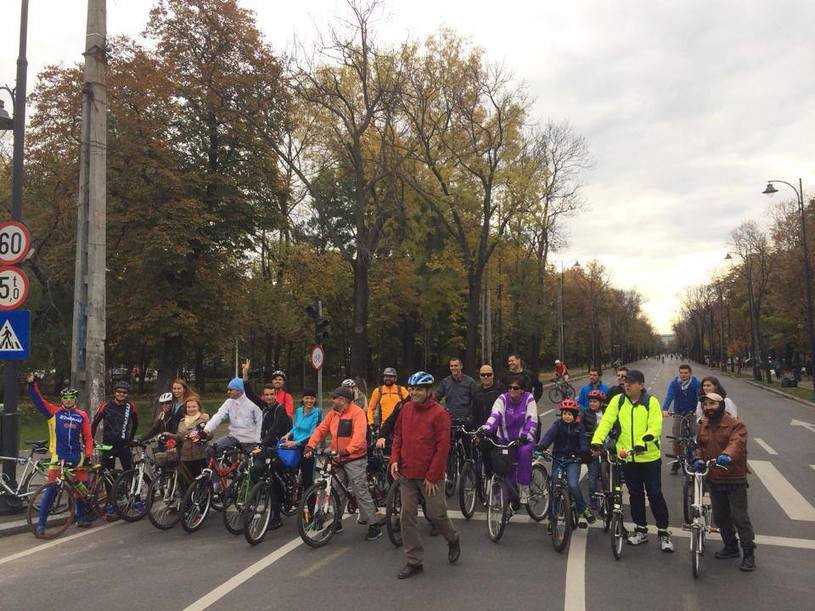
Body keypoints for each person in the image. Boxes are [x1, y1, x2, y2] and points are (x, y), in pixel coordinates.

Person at [592, 369, 673, 552]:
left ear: (641, 385)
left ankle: (663, 532)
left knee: (654, 494)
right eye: (625, 382)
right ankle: (641, 530)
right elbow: (606, 422)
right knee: (635, 495)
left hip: (649, 457)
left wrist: (642, 443)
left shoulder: (650, 402)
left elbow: (655, 426)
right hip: (627, 457)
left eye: (631, 382)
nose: (626, 384)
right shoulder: (618, 401)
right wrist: (597, 440)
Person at [391, 371, 460, 579]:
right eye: (412, 389)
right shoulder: (406, 409)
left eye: (419, 389)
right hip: (407, 473)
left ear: (429, 391)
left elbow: (442, 448)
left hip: (430, 476)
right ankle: (414, 561)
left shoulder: (439, 414)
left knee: (436, 514)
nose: (414, 393)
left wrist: (432, 476)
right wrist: (394, 459)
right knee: (406, 516)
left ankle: (453, 539)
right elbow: (398, 436)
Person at [305, 387, 383, 541]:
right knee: (335, 490)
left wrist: (348, 450)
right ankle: (336, 522)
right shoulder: (333, 413)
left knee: (360, 490)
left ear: (343, 400)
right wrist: (310, 445)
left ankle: (374, 525)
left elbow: (360, 436)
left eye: (334, 398)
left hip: (354, 458)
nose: (332, 400)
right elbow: (321, 430)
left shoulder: (357, 413)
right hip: (337, 458)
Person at [693, 392, 755, 571]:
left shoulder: (736, 425)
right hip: (713, 477)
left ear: (721, 405)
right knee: (720, 516)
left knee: (740, 517)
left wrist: (727, 456)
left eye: (712, 404)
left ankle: (749, 553)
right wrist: (698, 458)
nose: (709, 408)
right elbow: (699, 446)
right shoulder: (704, 425)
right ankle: (731, 546)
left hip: (734, 477)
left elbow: (737, 443)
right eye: (706, 404)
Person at [27, 374, 94, 535]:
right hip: (58, 458)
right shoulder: (54, 413)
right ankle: (41, 524)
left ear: (75, 400)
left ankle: (81, 516)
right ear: (62, 400)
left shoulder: (82, 415)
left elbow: (87, 437)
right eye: (65, 398)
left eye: (71, 398)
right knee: (50, 491)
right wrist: (32, 385)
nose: (68, 401)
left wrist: (88, 455)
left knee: (80, 489)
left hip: (76, 457)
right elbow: (39, 402)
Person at [478, 374, 538, 503]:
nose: (512, 390)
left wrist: (525, 436)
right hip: (505, 440)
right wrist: (486, 429)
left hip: (524, 440)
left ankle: (524, 486)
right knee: (505, 469)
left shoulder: (529, 399)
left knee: (524, 452)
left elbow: (532, 419)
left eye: (515, 388)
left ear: (522, 389)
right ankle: (506, 503)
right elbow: (495, 415)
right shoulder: (502, 399)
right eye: (509, 388)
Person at [538, 399, 593, 526]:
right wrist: (541, 446)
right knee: (554, 488)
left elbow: (584, 442)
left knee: (573, 485)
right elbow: (549, 436)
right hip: (558, 458)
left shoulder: (580, 427)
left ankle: (583, 509)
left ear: (575, 415)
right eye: (564, 414)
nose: (567, 416)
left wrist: (584, 453)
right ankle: (552, 520)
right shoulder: (557, 424)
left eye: (570, 414)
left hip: (573, 460)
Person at [200, 377, 263, 462]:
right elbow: (219, 416)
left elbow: (260, 423)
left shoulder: (253, 403)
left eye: (231, 390)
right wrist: (206, 430)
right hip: (234, 437)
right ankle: (215, 474)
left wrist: (259, 443)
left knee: (251, 465)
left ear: (239, 390)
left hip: (250, 440)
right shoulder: (229, 402)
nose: (228, 392)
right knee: (210, 451)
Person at [281, 388, 323, 495]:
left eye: (312, 398)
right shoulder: (299, 410)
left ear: (315, 399)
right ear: (303, 399)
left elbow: (312, 433)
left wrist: (296, 442)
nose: (309, 401)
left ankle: (311, 508)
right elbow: (296, 427)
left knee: (308, 480)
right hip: (294, 445)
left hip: (307, 446)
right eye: (307, 398)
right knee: (289, 471)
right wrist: (288, 434)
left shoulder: (317, 412)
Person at [92, 380, 139, 473]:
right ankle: (111, 487)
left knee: (129, 472)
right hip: (108, 445)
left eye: (124, 392)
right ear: (114, 393)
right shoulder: (106, 406)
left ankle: (128, 487)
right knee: (107, 473)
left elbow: (135, 423)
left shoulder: (131, 406)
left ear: (127, 394)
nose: (121, 394)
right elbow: (95, 423)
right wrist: (91, 439)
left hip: (124, 444)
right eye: (118, 392)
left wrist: (131, 438)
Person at [662, 364, 701, 473]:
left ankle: (694, 459)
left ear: (690, 373)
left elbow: (699, 397)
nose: (683, 375)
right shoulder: (674, 384)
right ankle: (677, 461)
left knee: (694, 436)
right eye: (681, 373)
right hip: (678, 413)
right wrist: (665, 409)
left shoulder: (695, 384)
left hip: (692, 413)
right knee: (677, 438)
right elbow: (669, 396)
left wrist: (698, 410)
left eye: (686, 373)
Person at [582, 389, 607, 513]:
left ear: (601, 403)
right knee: (592, 476)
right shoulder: (585, 413)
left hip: (606, 446)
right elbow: (580, 426)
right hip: (592, 447)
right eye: (590, 401)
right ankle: (593, 501)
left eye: (595, 401)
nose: (592, 404)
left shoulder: (607, 413)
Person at [176, 397, 209, 480]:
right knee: (186, 484)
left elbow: (210, 434)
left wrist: (201, 435)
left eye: (194, 407)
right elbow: (179, 437)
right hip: (185, 458)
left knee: (201, 482)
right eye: (189, 407)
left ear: (198, 407)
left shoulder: (203, 420)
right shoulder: (182, 421)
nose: (191, 409)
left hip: (200, 456)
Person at [435, 357, 478, 423]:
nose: (453, 368)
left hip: (466, 420)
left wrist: (471, 416)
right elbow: (436, 397)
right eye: (451, 366)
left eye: (456, 366)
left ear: (461, 366)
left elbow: (476, 400)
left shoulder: (470, 382)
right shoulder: (445, 382)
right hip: (449, 420)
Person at [473, 364, 505, 429]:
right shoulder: (476, 392)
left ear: (493, 375)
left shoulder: (501, 390)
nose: (486, 377)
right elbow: (475, 413)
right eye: (483, 375)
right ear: (479, 376)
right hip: (482, 428)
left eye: (489, 374)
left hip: (498, 429)